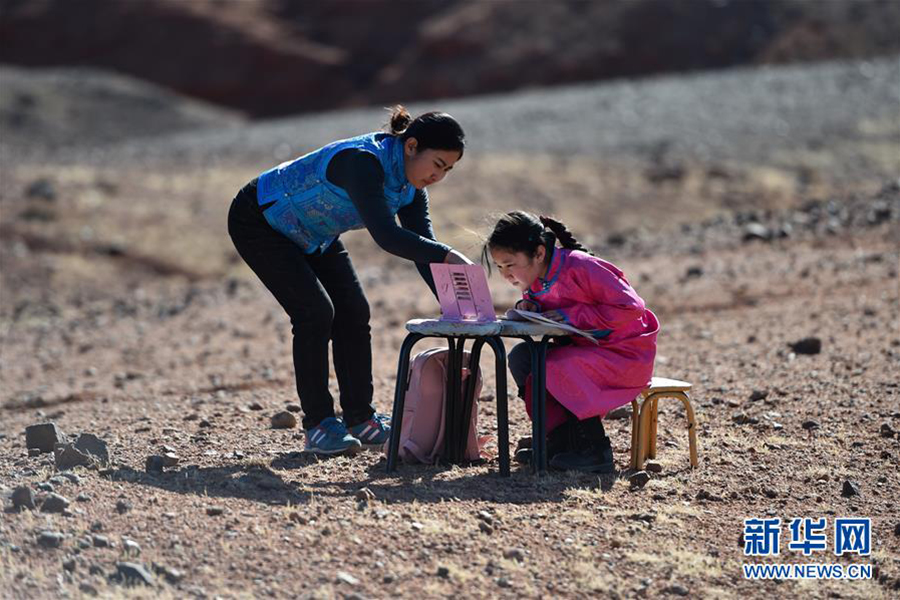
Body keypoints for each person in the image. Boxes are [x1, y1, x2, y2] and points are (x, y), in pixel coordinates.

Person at [228, 106, 473, 455]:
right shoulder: (363, 162)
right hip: (260, 220)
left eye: (447, 170)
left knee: (354, 311)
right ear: (411, 146)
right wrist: (448, 254)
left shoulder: (410, 189)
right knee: (315, 313)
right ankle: (319, 425)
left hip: (315, 233)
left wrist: (457, 307)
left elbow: (423, 250)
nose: (439, 176)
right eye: (437, 164)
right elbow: (388, 236)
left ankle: (361, 418)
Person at [483, 211, 659, 472]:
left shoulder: (581, 266)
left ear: (539, 253)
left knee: (555, 365)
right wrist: (529, 308)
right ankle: (561, 442)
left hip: (626, 355)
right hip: (586, 352)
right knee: (523, 358)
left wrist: (573, 315)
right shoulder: (535, 280)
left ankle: (596, 449)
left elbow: (631, 307)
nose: (505, 274)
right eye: (499, 267)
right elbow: (553, 311)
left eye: (510, 265)